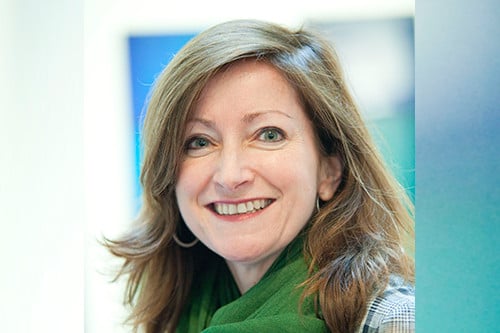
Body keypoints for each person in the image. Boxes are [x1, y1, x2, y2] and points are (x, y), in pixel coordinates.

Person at [105, 19, 415, 333]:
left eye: (268, 135)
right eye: (199, 142)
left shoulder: (395, 321)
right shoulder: (173, 319)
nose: (230, 175)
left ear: (329, 170)